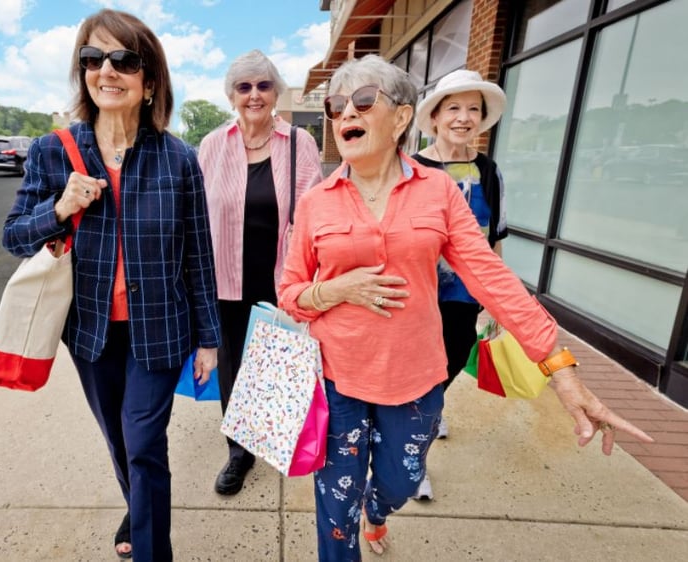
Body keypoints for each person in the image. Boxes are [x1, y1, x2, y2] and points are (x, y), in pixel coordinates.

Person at [277, 54, 653, 561]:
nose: (347, 113)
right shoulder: (317, 200)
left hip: (415, 374)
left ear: (402, 118)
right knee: (334, 508)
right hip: (336, 374)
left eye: (364, 101)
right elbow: (290, 291)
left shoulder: (437, 192)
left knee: (402, 481)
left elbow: (490, 276)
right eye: (336, 106)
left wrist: (560, 369)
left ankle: (380, 508)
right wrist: (335, 291)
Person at [2, 9, 221, 561]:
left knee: (145, 441)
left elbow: (199, 254)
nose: (108, 70)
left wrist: (210, 337)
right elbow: (13, 237)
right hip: (92, 333)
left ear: (149, 81)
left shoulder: (180, 159)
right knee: (121, 441)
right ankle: (140, 507)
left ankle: (152, 550)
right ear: (83, 73)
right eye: (93, 59)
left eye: (124, 59)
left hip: (161, 332)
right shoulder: (53, 151)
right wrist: (60, 207)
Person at [198, 50, 323, 496]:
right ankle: (238, 451)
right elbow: (195, 216)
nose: (254, 95)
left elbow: (312, 214)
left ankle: (270, 434)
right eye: (245, 87)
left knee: (275, 361)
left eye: (263, 86)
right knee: (232, 363)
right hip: (225, 275)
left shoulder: (299, 144)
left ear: (276, 92)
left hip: (279, 275)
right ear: (232, 95)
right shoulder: (213, 144)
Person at [410, 69, 510, 500]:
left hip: (463, 295)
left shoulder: (489, 171)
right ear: (434, 117)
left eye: (473, 109)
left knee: (448, 365)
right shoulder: (410, 167)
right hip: (413, 293)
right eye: (453, 108)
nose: (463, 118)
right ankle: (414, 461)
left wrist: (497, 301)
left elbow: (494, 240)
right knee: (413, 375)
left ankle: (429, 409)